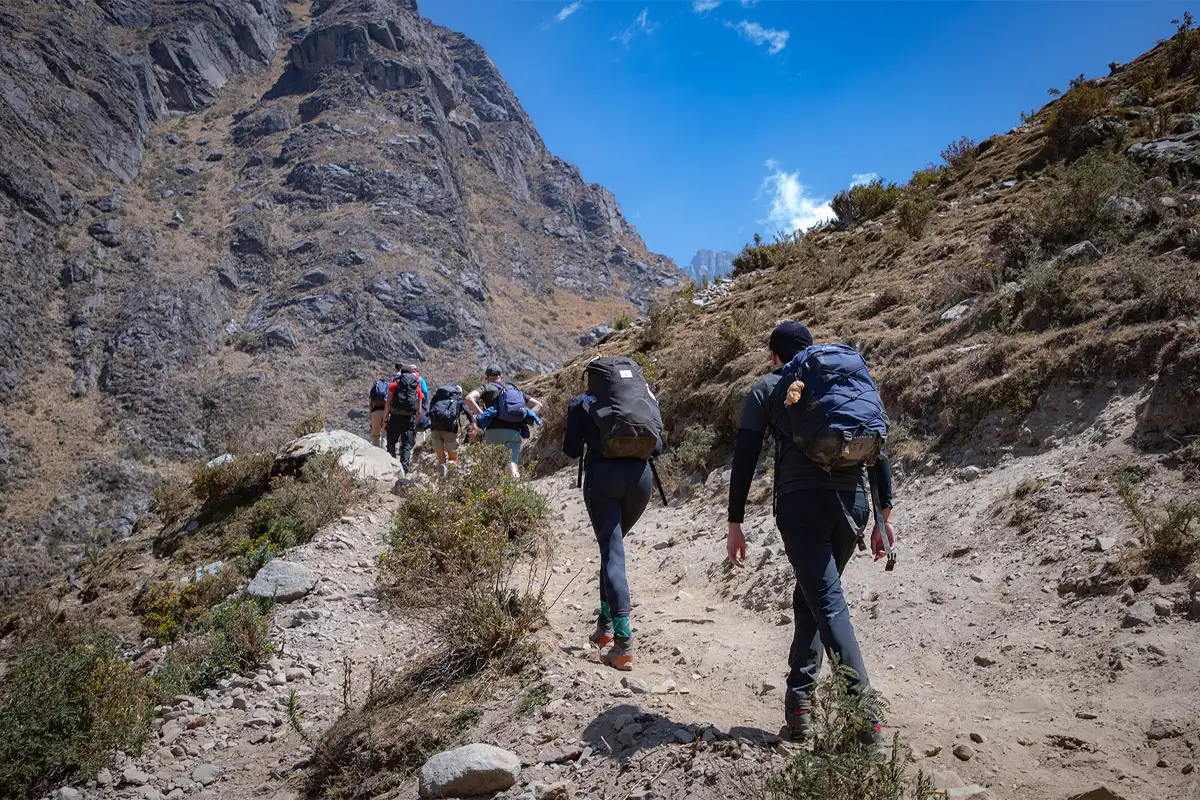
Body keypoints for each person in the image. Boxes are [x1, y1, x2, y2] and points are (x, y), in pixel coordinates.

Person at [725, 321, 896, 744]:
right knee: (813, 597)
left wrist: (735, 521)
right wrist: (883, 516)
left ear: (773, 356)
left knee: (828, 604)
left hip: (803, 506)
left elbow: (745, 456)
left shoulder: (770, 386)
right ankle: (799, 708)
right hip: (853, 506)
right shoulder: (838, 385)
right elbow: (879, 449)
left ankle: (866, 724)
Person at [562, 356, 663, 671]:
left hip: (604, 480)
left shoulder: (582, 402)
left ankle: (622, 644)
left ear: (591, 377)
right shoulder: (643, 397)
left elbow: (571, 450)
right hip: (641, 481)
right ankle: (604, 628)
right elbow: (658, 446)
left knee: (612, 553)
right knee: (612, 553)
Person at [465, 364, 542, 479]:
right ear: (501, 377)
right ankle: (515, 486)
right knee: (512, 464)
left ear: (487, 377)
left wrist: (483, 415)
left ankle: (498, 494)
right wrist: (524, 417)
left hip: (494, 431)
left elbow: (469, 398)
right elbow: (538, 404)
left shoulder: (487, 387)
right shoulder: (513, 389)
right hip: (514, 431)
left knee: (492, 466)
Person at [382, 364, 425, 473]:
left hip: (395, 417)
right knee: (406, 444)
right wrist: (415, 419)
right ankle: (404, 468)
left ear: (401, 374)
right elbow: (419, 408)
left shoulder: (394, 384)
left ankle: (392, 466)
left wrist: (385, 418)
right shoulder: (416, 386)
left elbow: (388, 403)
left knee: (391, 442)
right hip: (409, 418)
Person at [427, 384, 477, 476]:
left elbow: (430, 412)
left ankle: (441, 476)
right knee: (453, 459)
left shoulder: (436, 399)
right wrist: (474, 426)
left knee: (441, 460)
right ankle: (450, 474)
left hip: (434, 430)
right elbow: (468, 413)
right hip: (449, 430)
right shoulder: (458, 400)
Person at [368, 376, 390, 447]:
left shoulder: (374, 389)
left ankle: (375, 455)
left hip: (375, 412)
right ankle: (384, 454)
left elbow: (370, 404)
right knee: (384, 436)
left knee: (375, 436)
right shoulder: (388, 388)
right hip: (385, 412)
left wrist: (371, 416)